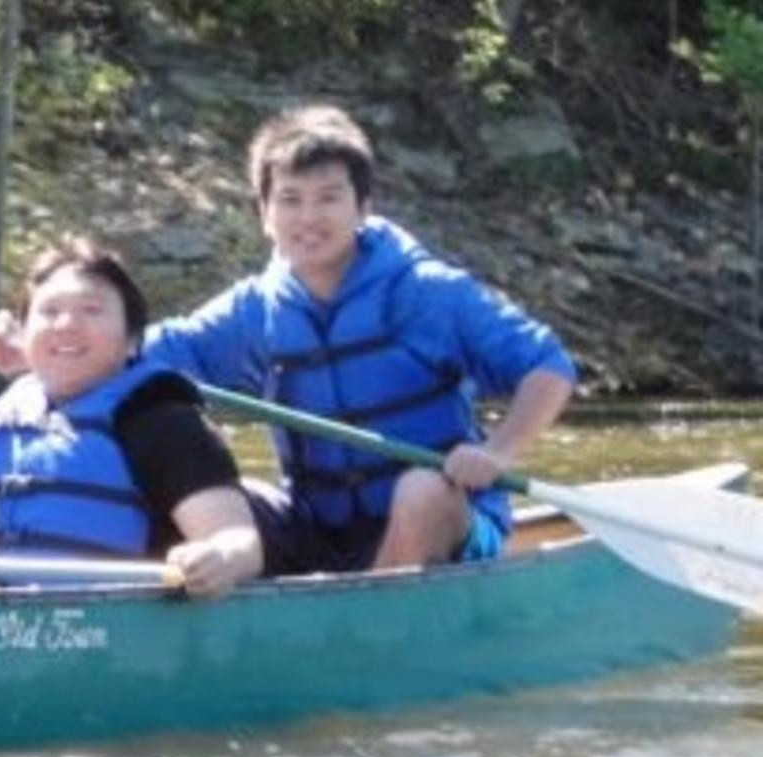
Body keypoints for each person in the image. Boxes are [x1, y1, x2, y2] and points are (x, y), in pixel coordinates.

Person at [108, 103, 575, 573]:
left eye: (329, 197)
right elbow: (142, 352)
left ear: (363, 208)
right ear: (265, 214)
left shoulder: (427, 291)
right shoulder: (255, 310)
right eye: (290, 200)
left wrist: (498, 452)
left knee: (421, 490)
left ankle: (379, 630)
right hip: (315, 527)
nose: (308, 217)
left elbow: (548, 365)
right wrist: (49, 349)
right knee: (212, 501)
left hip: (448, 519)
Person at [0, 240, 262, 596]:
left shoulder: (162, 421)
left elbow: (239, 542)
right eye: (49, 311)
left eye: (92, 311)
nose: (66, 325)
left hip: (100, 629)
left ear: (133, 340)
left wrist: (219, 558)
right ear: (25, 331)